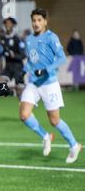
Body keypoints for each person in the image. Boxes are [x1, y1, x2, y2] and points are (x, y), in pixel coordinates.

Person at [18, 8, 82, 163]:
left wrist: (45, 70)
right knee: (24, 115)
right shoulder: (29, 39)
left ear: (45, 21)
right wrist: (23, 71)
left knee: (54, 121)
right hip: (33, 83)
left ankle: (74, 145)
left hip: (49, 84)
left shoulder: (51, 37)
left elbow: (61, 59)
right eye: (34, 20)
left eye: (39, 20)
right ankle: (46, 137)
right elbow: (31, 60)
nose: (36, 23)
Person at [0, 17, 26, 97]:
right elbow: (2, 52)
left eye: (9, 23)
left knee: (20, 91)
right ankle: (9, 92)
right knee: (1, 81)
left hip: (18, 67)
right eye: (6, 23)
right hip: (8, 66)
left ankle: (27, 104)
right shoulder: (3, 38)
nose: (7, 25)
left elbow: (23, 55)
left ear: (13, 25)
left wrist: (14, 55)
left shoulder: (18, 38)